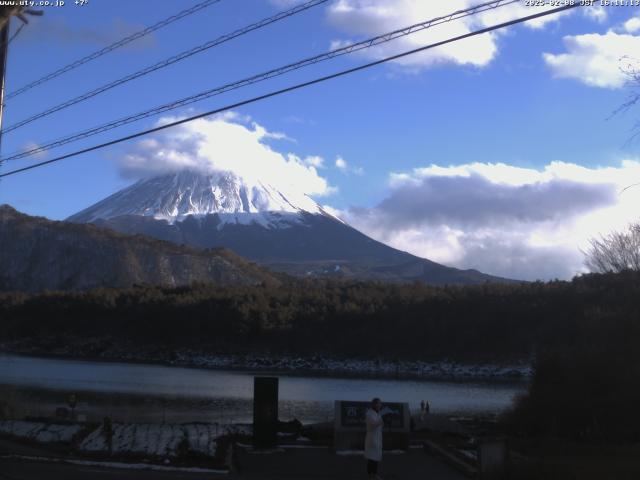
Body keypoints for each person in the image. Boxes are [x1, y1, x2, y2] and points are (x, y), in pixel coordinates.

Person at [364, 397, 384, 480]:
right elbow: (373, 425)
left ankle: (373, 474)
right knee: (372, 458)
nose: (380, 405)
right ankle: (372, 474)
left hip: (377, 437)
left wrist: (381, 421)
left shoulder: (377, 413)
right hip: (372, 438)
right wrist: (381, 421)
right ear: (375, 405)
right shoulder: (369, 414)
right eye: (379, 403)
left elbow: (379, 424)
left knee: (374, 457)